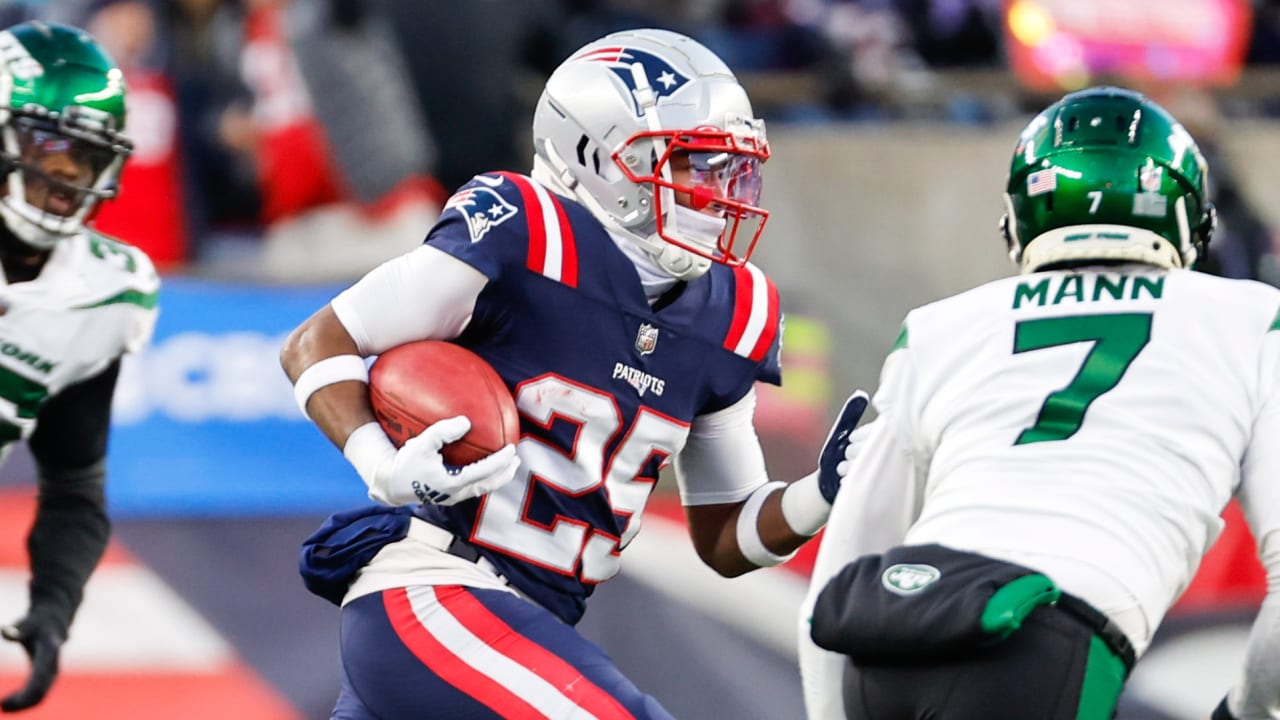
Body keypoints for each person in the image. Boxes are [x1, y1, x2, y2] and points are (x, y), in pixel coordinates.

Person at [280, 27, 864, 719]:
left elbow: (725, 536)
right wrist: (380, 462)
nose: (717, 193)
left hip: (528, 627)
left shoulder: (735, 313)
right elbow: (318, 341)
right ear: (600, 158)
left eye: (728, 169)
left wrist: (818, 496)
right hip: (439, 590)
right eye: (693, 165)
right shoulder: (528, 232)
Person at [797, 85, 1280, 720]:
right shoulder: (1253, 319)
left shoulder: (941, 326)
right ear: (1192, 216)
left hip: (888, 635)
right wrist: (1247, 710)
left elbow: (845, 564)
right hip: (1043, 642)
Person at [0, 20, 160, 712]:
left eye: (86, 155)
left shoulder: (100, 291)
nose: (66, 174)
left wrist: (53, 605)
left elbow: (73, 488)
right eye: (50, 144)